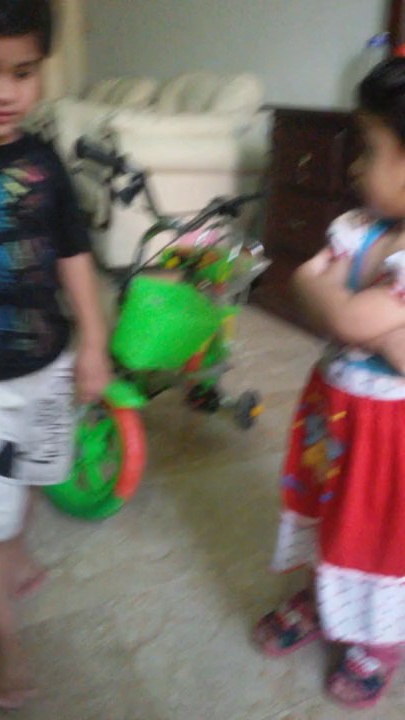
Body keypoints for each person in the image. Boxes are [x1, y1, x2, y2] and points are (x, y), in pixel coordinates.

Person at [254, 57, 405, 710]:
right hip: (338, 411)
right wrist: (365, 324)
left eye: (368, 150)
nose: (352, 168)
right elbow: (308, 288)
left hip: (392, 437)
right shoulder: (362, 228)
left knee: (380, 531)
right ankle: (326, 595)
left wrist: (339, 305)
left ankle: (381, 638)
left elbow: (338, 309)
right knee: (330, 509)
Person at [0, 0, 111, 709]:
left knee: (36, 471)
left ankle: (14, 550)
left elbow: (73, 253)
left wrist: (93, 341)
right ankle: (6, 637)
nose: (5, 92)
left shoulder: (44, 164)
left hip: (46, 364)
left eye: (23, 71)